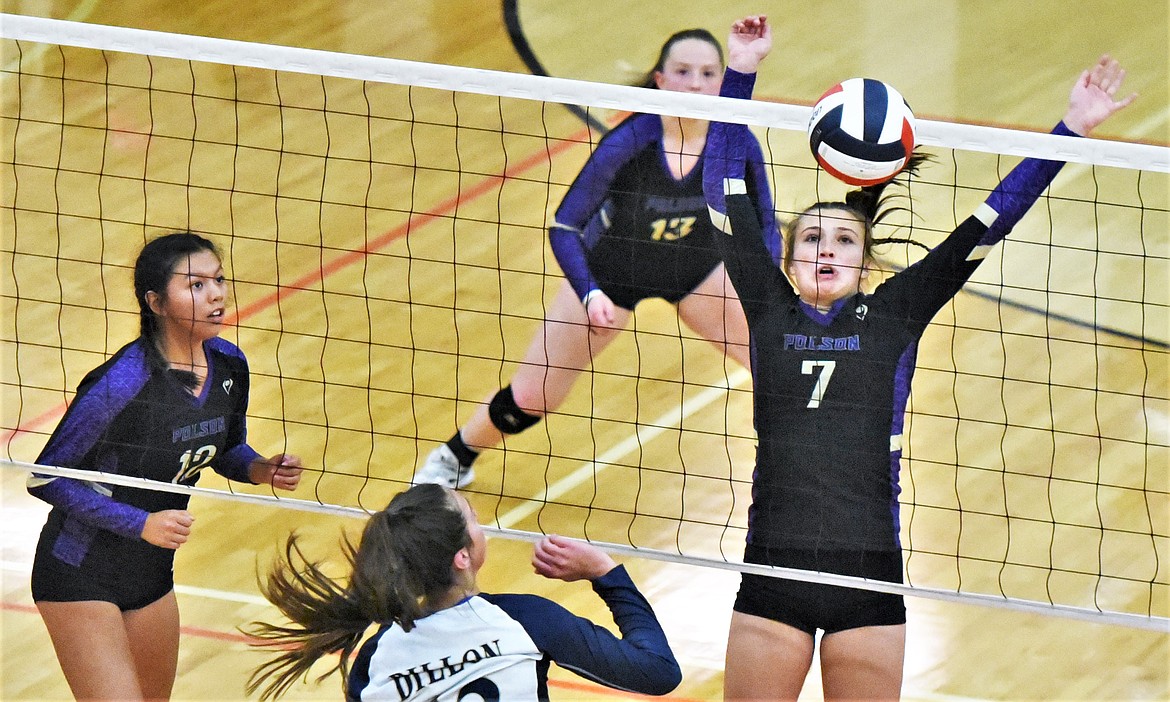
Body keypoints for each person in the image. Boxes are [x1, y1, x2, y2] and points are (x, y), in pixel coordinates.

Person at [703, 16, 1136, 701]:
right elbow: (719, 184)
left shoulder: (896, 312)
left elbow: (991, 219)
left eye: (841, 241)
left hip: (870, 582)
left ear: (864, 261)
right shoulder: (768, 307)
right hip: (773, 576)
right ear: (785, 259)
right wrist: (741, 70)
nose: (824, 249)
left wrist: (1071, 129)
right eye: (810, 238)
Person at [415, 26, 779, 488]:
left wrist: (763, 286)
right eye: (683, 72)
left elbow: (766, 224)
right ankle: (455, 456)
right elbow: (564, 226)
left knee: (778, 361)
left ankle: (806, 466)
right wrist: (588, 293)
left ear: (723, 81)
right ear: (661, 81)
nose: (695, 84)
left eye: (708, 73)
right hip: (609, 275)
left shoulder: (738, 144)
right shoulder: (630, 142)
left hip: (695, 271)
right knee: (534, 395)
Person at [27, 231, 305, 701]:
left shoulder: (230, 364)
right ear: (156, 302)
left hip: (152, 572)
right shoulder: (123, 383)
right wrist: (141, 523)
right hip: (79, 569)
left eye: (218, 280)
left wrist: (261, 468)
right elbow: (48, 475)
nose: (216, 294)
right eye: (196, 285)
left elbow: (227, 448)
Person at [244, 483, 682, 701]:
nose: (483, 527)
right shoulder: (526, 622)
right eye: (473, 520)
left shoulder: (375, 660)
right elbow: (659, 672)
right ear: (462, 557)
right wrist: (606, 572)